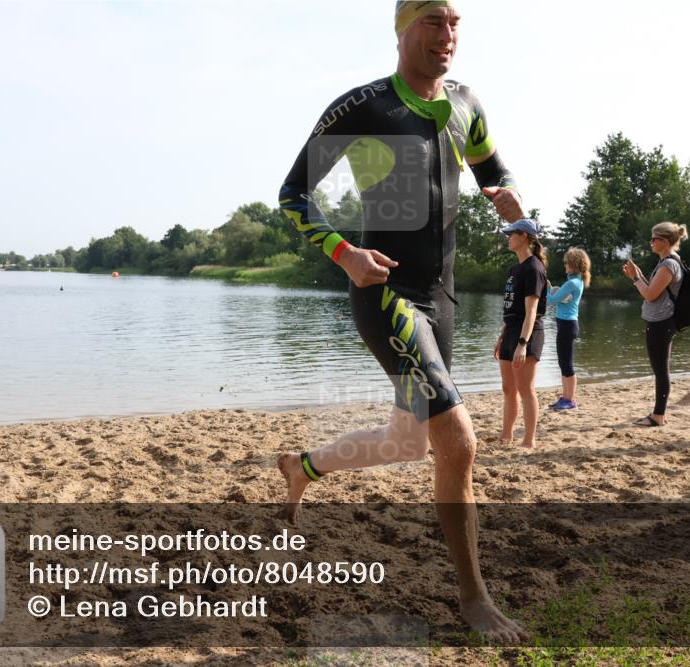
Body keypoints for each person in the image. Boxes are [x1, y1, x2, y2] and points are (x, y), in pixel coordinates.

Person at [275, 1, 528, 643]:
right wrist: (345, 253)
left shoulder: (466, 103)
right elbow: (293, 194)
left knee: (408, 443)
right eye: (434, 21)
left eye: (455, 23)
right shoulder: (363, 107)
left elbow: (494, 172)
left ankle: (301, 468)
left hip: (442, 301)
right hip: (386, 294)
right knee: (460, 443)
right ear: (404, 29)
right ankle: (474, 598)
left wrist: (512, 203)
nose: (447, 35)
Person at [622, 222, 687, 427]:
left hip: (661, 321)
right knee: (660, 368)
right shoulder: (666, 262)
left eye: (654, 239)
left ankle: (658, 416)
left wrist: (635, 278)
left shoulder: (669, 264)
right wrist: (639, 276)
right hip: (659, 321)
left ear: (665, 241)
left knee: (660, 369)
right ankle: (659, 414)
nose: (650, 242)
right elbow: (653, 291)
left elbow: (650, 295)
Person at [493, 219, 547, 447]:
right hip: (511, 331)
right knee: (508, 389)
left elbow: (531, 311)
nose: (508, 237)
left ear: (524, 236)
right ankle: (506, 435)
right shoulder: (515, 268)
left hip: (528, 333)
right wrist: (502, 336)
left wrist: (523, 343)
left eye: (511, 234)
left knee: (525, 388)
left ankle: (529, 440)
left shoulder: (534, 268)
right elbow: (512, 309)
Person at [547, 248, 590, 411]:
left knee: (566, 364)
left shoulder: (572, 283)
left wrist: (545, 287)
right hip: (567, 325)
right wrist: (555, 291)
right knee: (563, 362)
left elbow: (551, 300)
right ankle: (566, 397)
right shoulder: (576, 281)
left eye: (566, 262)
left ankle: (570, 400)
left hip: (567, 326)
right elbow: (561, 299)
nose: (564, 265)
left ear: (572, 265)